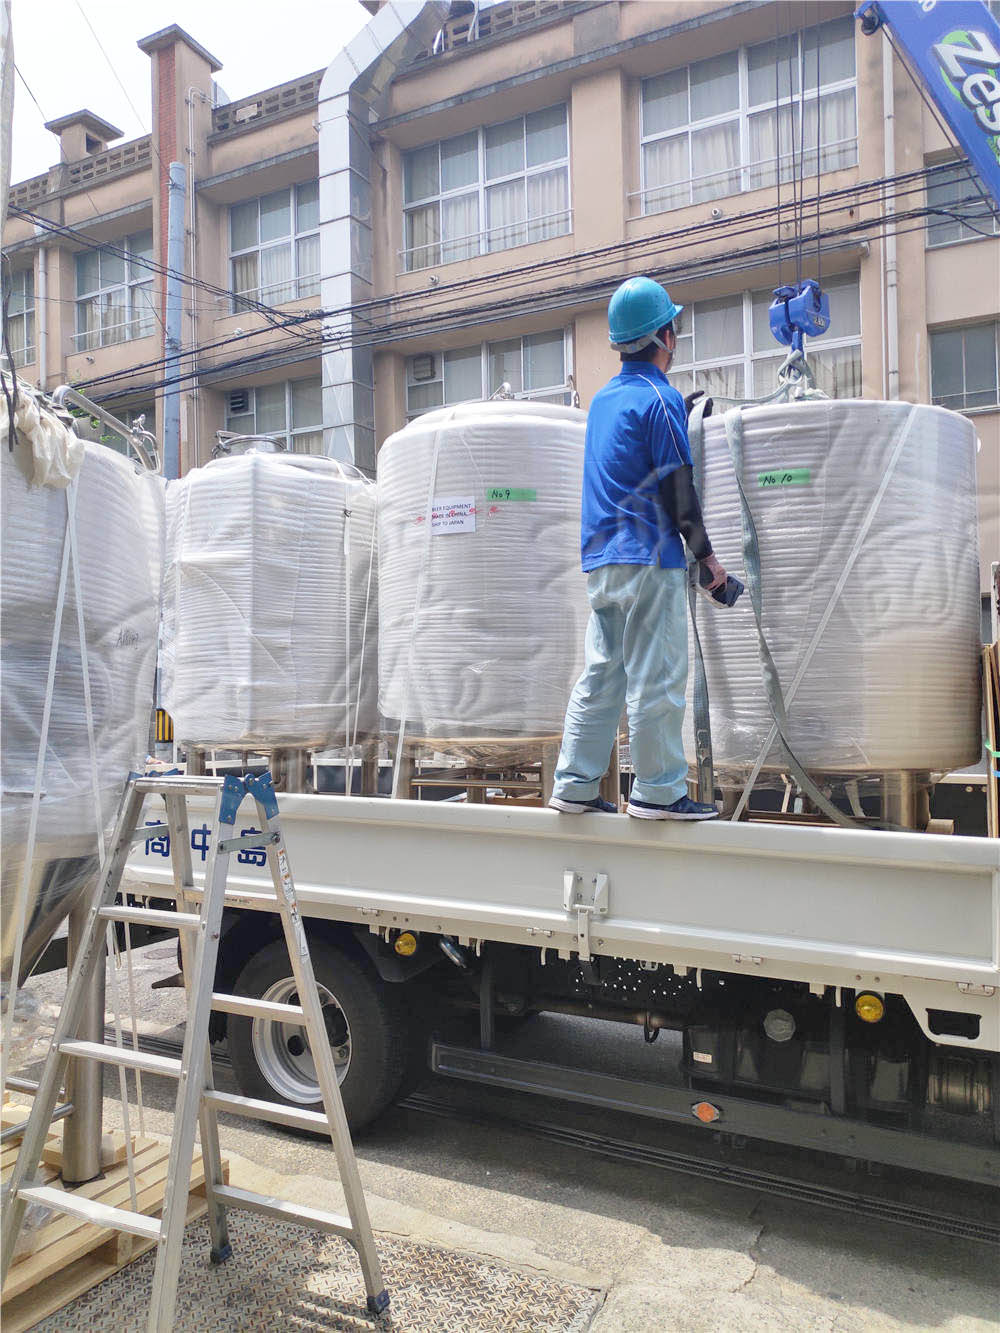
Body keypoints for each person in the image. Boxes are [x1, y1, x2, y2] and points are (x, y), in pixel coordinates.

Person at [548, 275, 727, 821]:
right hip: (650, 557)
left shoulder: (603, 402)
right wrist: (708, 559)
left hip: (603, 561)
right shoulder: (660, 398)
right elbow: (679, 489)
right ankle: (659, 792)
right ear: (664, 336)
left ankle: (575, 786)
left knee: (602, 675)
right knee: (658, 679)